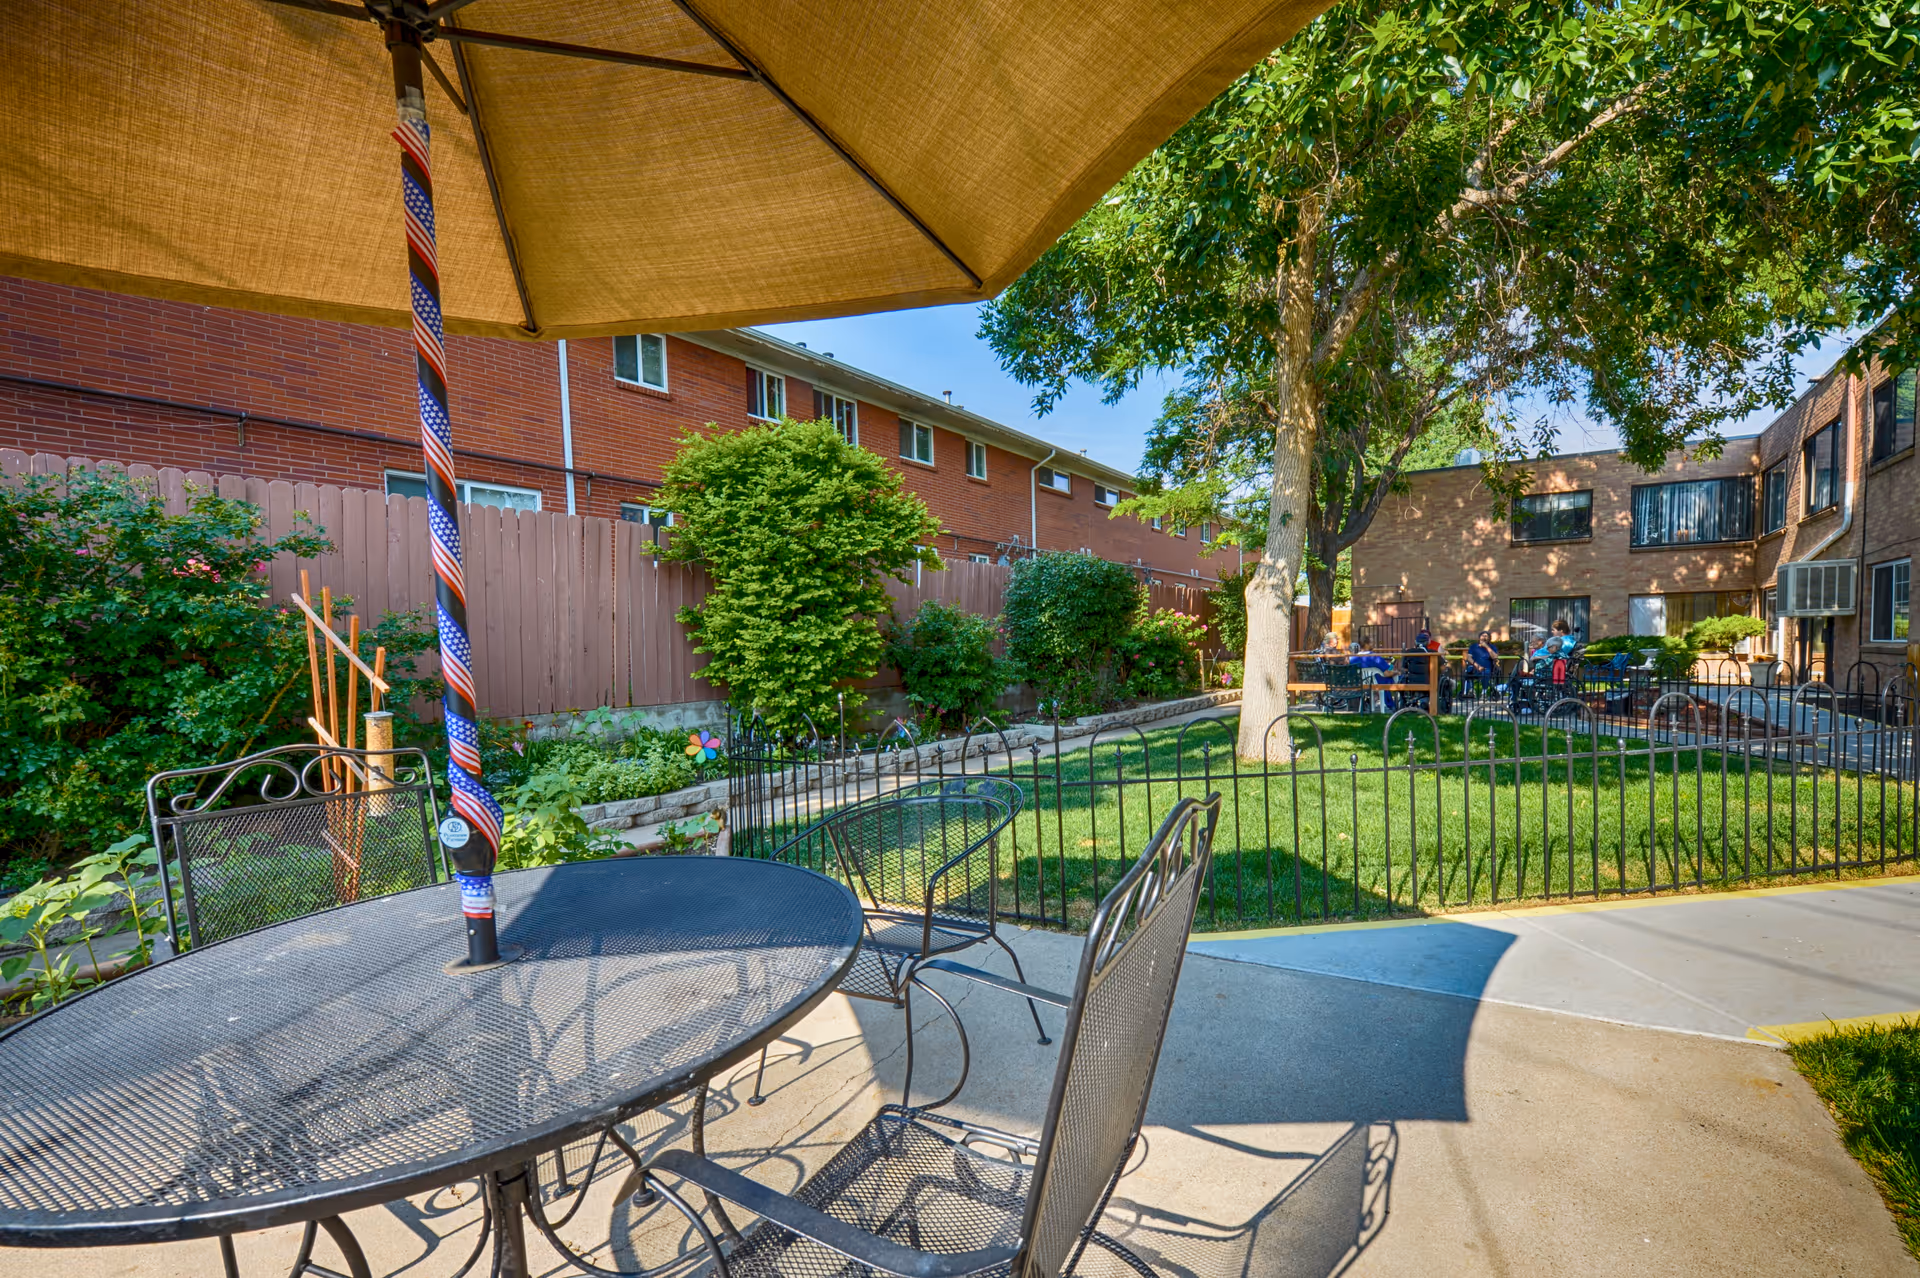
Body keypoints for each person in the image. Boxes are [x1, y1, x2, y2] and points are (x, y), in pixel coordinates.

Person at [1350, 640, 1395, 711]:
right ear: (1366, 645)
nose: (1373, 644)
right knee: (1390, 678)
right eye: (1371, 643)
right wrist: (1396, 672)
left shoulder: (1353, 658)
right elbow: (1387, 673)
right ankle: (1392, 705)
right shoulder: (1375, 657)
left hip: (1360, 683)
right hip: (1376, 683)